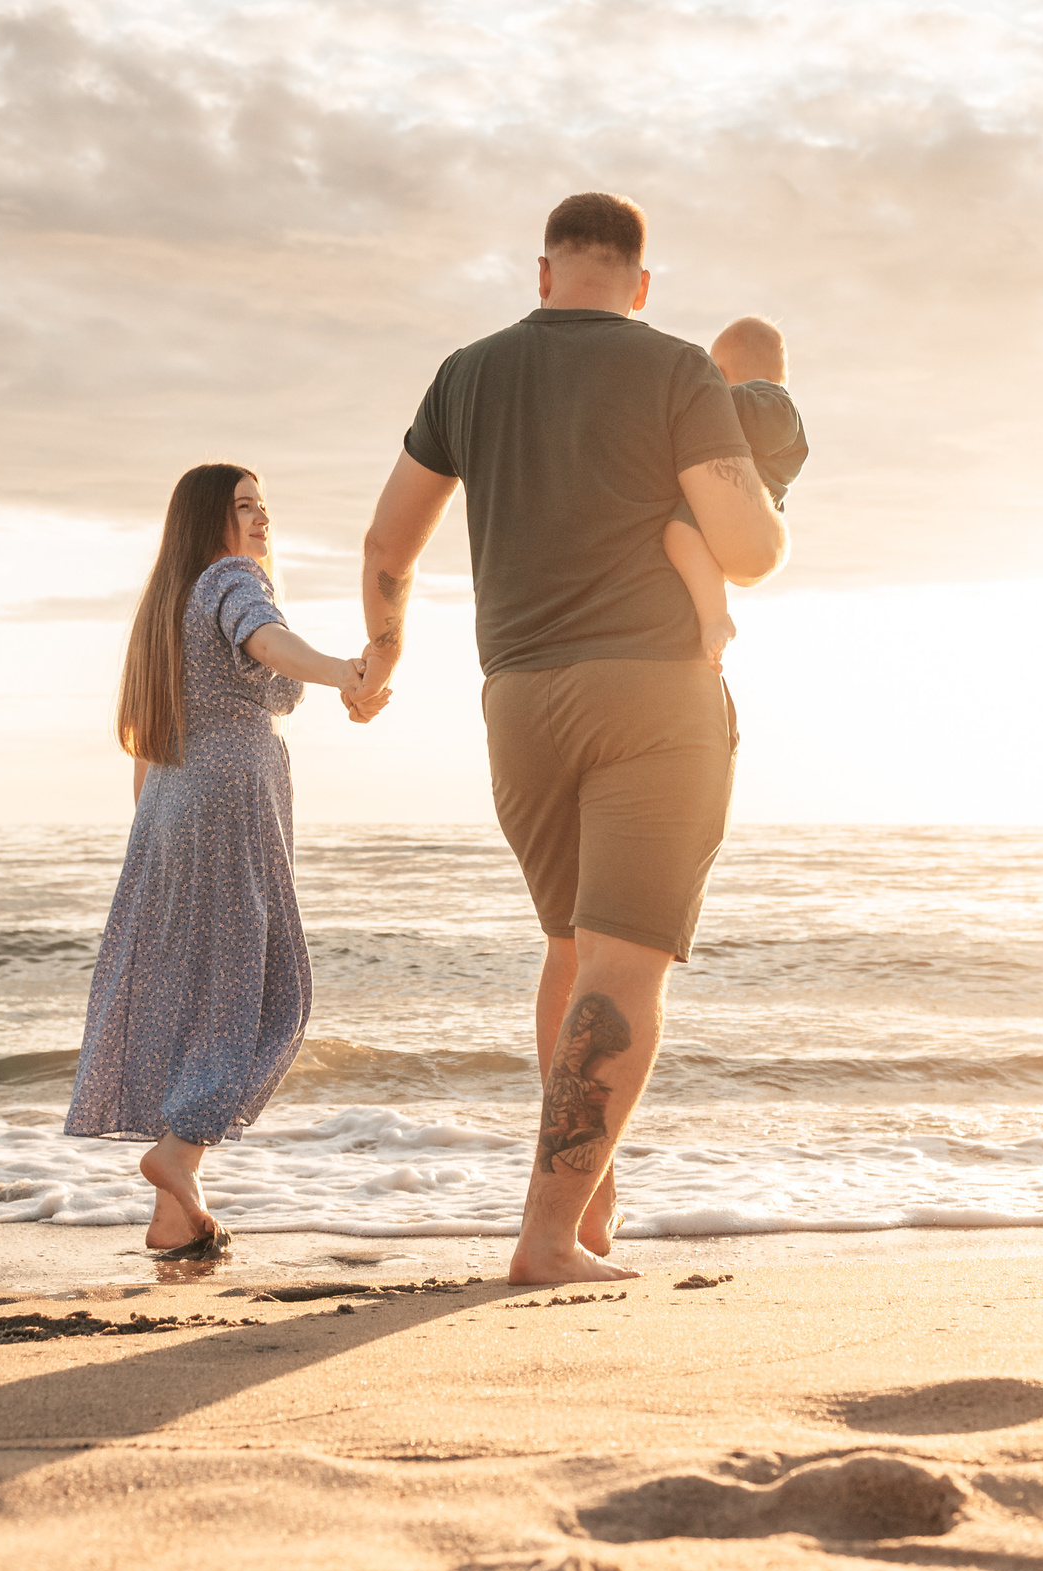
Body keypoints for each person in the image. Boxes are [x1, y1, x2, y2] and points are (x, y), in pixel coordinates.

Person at [342, 193, 789, 1284]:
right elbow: (748, 550)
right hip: (651, 696)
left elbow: (389, 541)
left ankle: (585, 1209)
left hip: (521, 702)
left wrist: (383, 656)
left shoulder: (468, 372)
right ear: (639, 287)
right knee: (626, 969)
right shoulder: (676, 368)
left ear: (545, 275)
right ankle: (545, 1239)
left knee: (569, 951)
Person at [65, 463, 374, 1258]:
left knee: (195, 996)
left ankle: (178, 1210)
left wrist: (162, 838)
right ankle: (180, 1150)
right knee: (270, 995)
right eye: (244, 507)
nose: (261, 519)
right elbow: (264, 638)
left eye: (265, 506)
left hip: (168, 806)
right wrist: (343, 670)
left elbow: (147, 736)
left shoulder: (167, 606)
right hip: (231, 800)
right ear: (211, 522)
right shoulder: (231, 581)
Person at [663, 316, 809, 666]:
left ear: (722, 374)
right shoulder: (761, 400)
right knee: (692, 550)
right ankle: (711, 614)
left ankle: (714, 617)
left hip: (738, 506)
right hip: (728, 509)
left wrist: (708, 400)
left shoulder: (775, 403)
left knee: (678, 536)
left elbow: (765, 426)